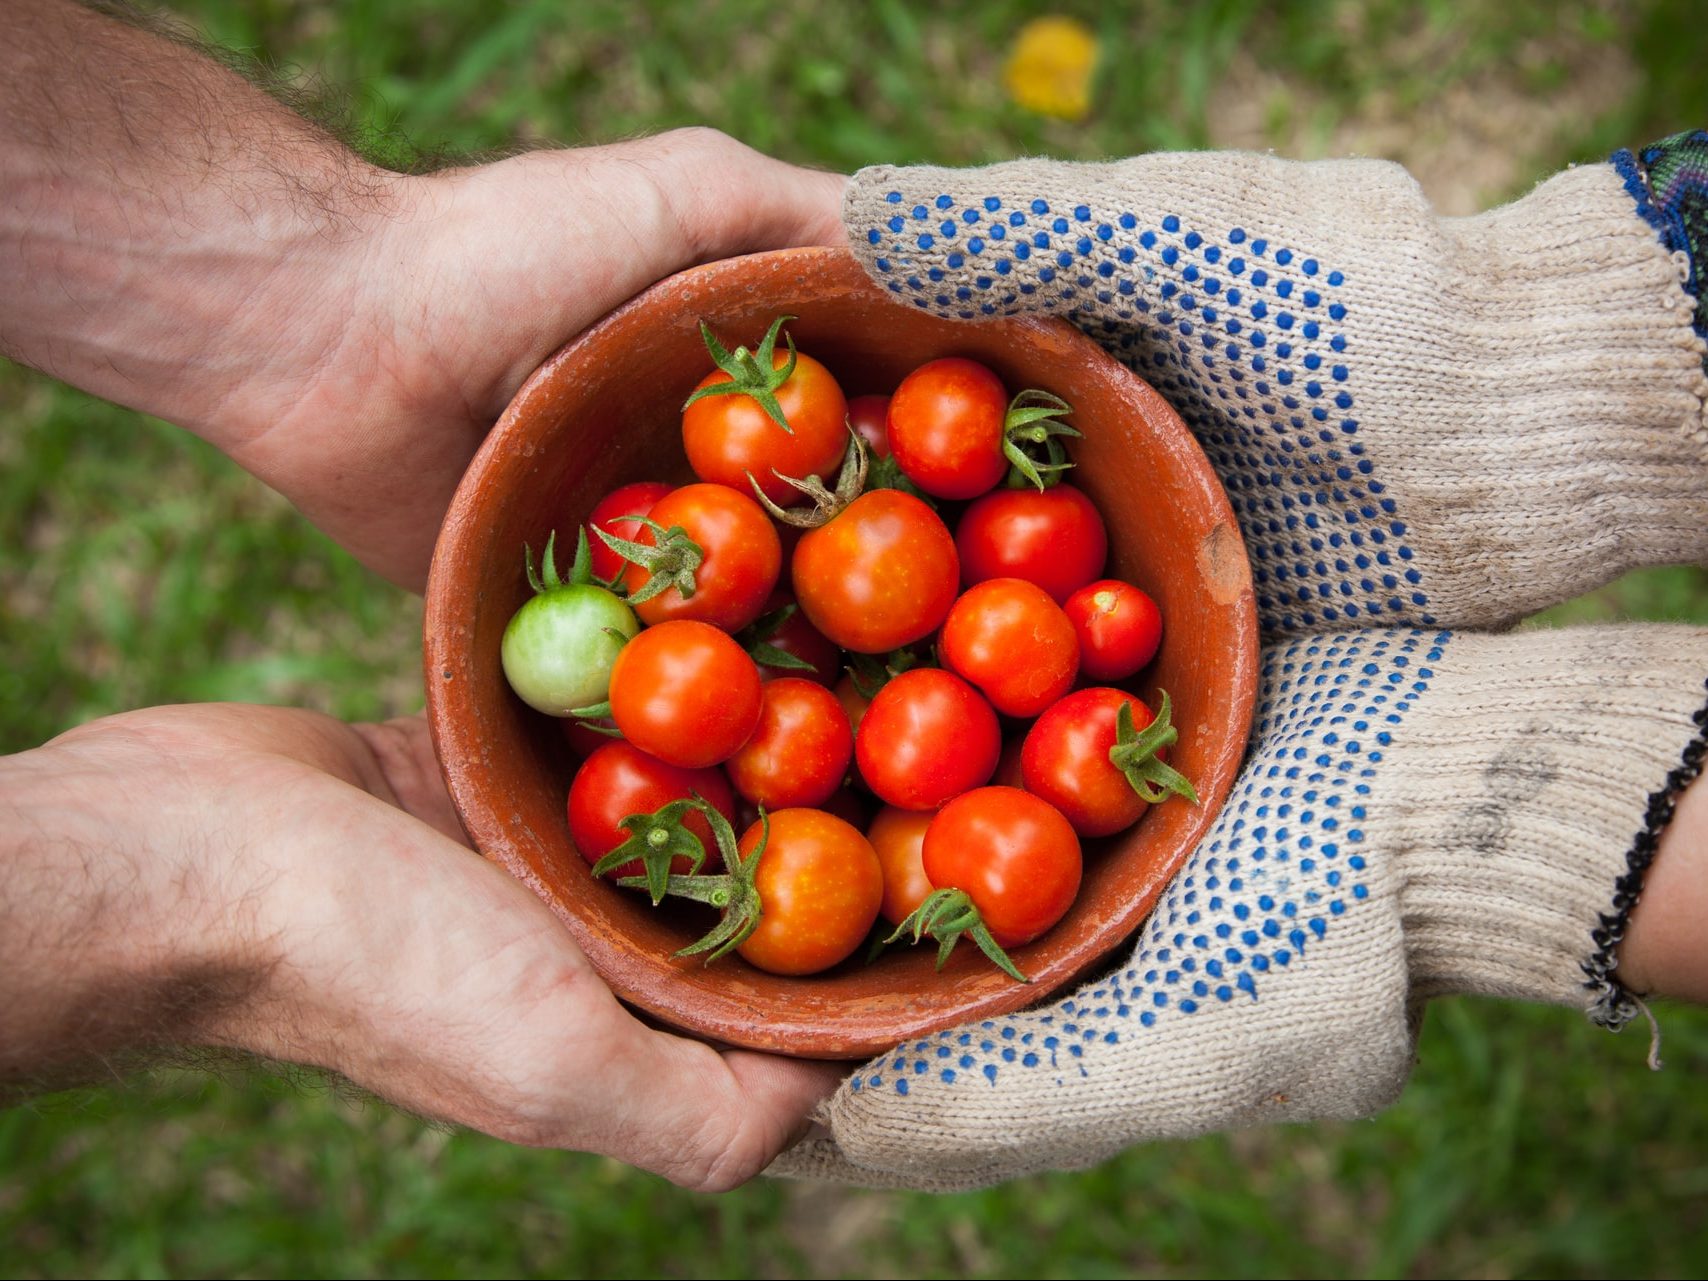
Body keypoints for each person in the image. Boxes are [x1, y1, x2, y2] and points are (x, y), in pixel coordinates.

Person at [4, 0, 1706, 1194]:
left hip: (952, 702)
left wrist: (312, 293)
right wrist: (207, 893)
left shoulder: (775, 640)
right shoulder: (766, 714)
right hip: (933, 736)